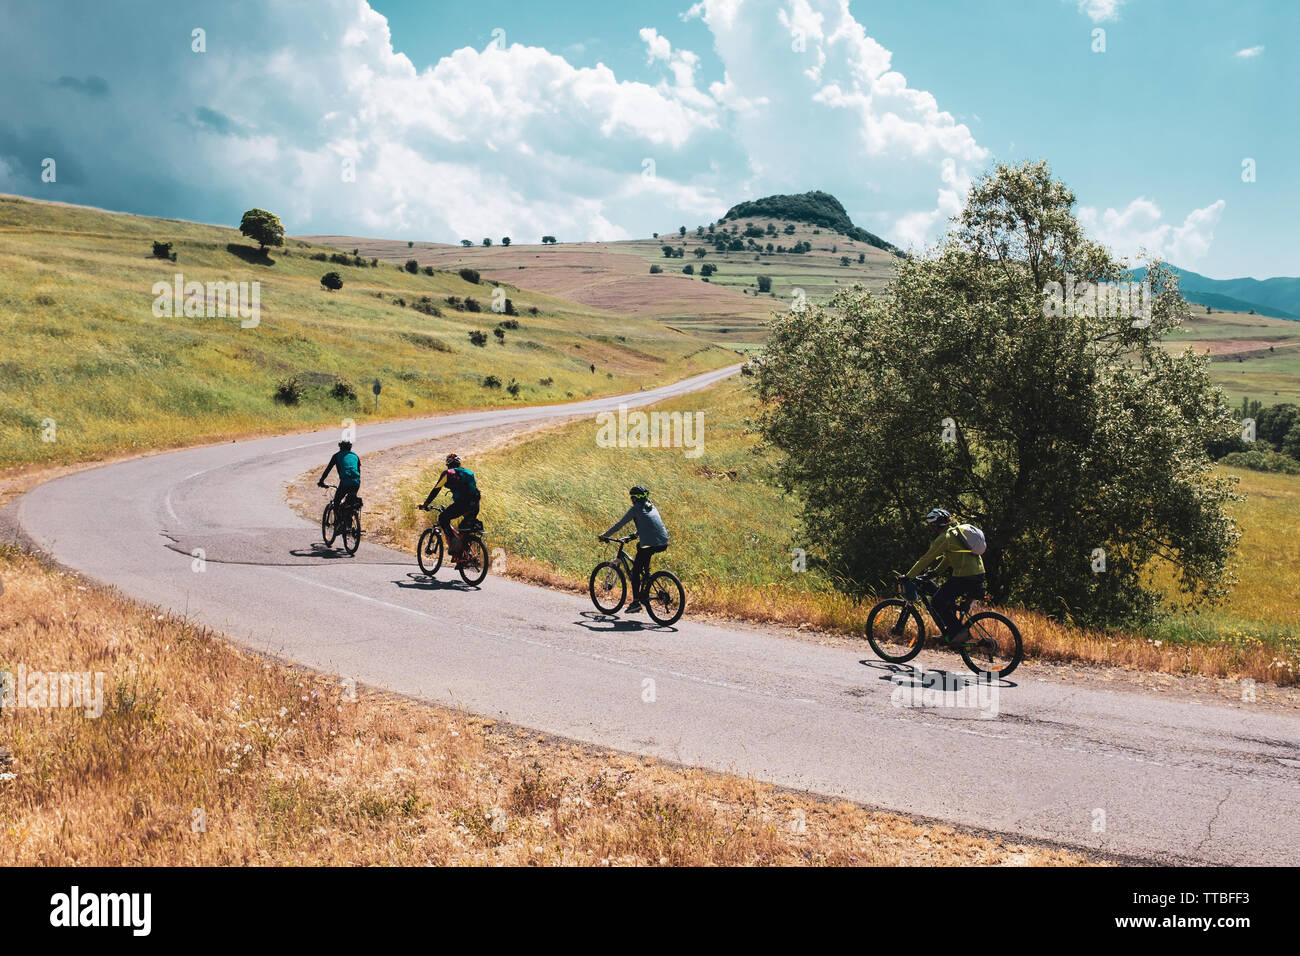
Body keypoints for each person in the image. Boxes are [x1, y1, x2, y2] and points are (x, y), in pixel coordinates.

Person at [904, 507, 985, 641]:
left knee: (936, 602)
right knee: (946, 599)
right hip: (978, 574)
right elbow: (948, 559)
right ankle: (952, 633)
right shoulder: (955, 534)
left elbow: (926, 559)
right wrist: (934, 572)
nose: (931, 528)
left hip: (964, 576)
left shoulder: (944, 538)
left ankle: (958, 632)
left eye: (931, 525)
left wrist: (908, 576)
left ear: (936, 525)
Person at [600, 485, 669, 614]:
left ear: (635, 498)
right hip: (663, 542)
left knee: (636, 571)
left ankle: (636, 602)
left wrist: (605, 536)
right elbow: (649, 524)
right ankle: (646, 580)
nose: (631, 500)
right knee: (641, 549)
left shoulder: (635, 509)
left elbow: (619, 525)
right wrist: (634, 535)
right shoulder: (651, 506)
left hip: (650, 543)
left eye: (632, 498)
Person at [418, 453, 480, 560]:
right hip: (475, 503)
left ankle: (453, 541)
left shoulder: (447, 474)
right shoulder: (468, 473)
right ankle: (464, 557)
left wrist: (426, 503)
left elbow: (436, 489)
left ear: (447, 465)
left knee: (443, 518)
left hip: (462, 504)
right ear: (459, 464)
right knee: (464, 529)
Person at [318, 440, 361, 512]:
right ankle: (349, 516)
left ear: (340, 447)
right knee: (350, 503)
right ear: (350, 447)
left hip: (345, 483)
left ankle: (337, 517)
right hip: (356, 483)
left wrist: (321, 481)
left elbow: (328, 470)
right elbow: (358, 472)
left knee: (336, 502)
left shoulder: (336, 456)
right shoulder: (355, 456)